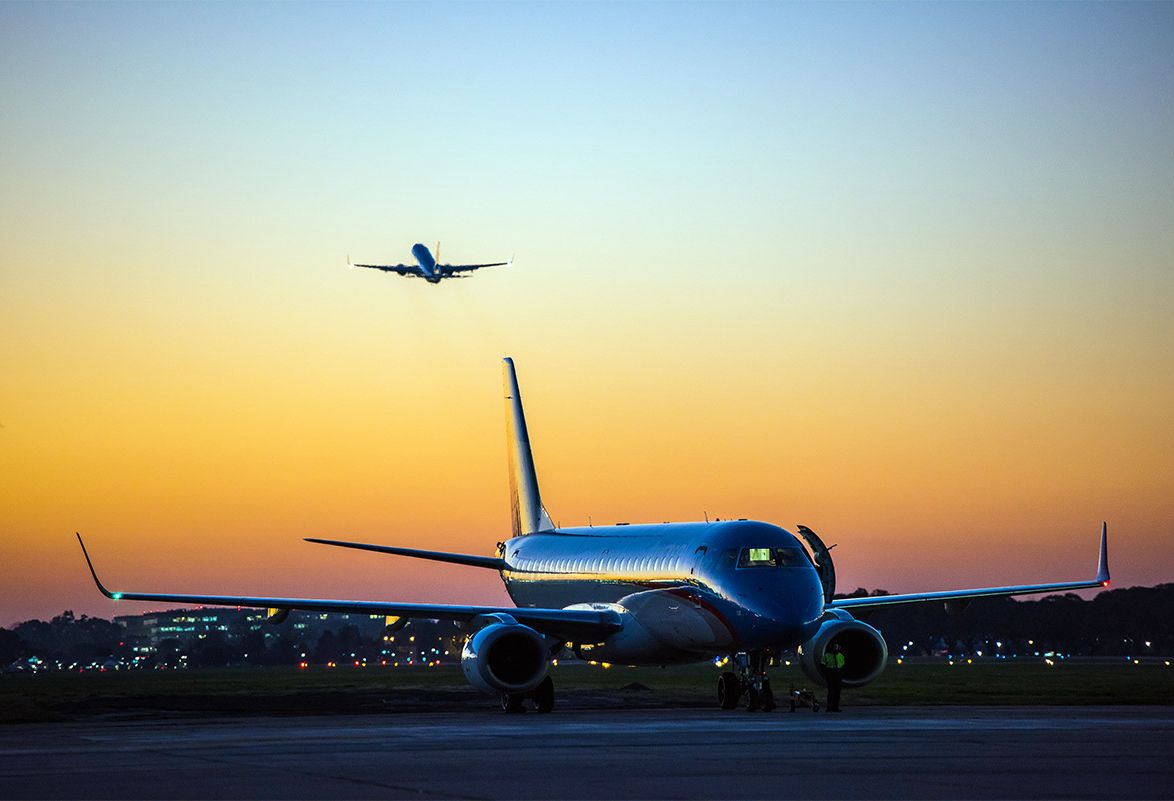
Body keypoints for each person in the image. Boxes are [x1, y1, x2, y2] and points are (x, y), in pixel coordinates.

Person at [821, 643, 845, 712]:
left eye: (836, 647)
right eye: (834, 647)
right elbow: (822, 665)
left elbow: (843, 666)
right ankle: (829, 708)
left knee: (837, 692)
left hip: (838, 674)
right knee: (831, 692)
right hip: (830, 674)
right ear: (831, 647)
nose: (835, 648)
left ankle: (835, 707)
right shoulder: (826, 656)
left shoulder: (841, 655)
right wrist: (827, 673)